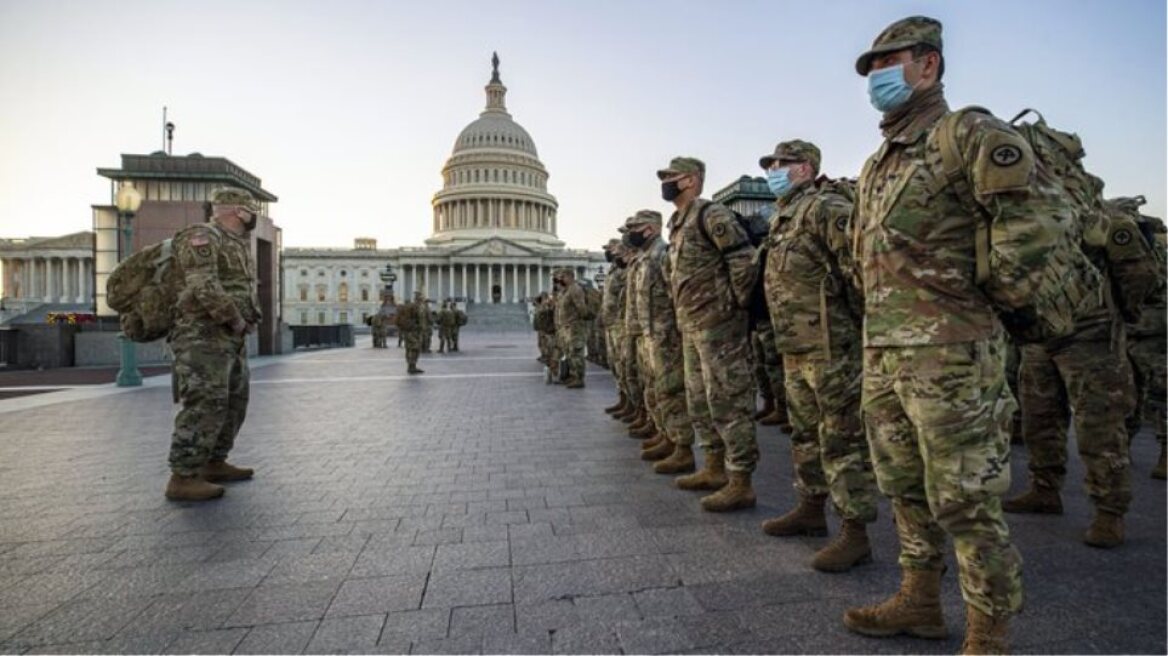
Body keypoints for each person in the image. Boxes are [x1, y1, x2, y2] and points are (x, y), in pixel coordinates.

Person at [844, 17, 1023, 652]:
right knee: (903, 485)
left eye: (887, 64)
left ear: (928, 65)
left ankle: (988, 632)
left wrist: (986, 307)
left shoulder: (968, 133)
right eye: (870, 70)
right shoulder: (879, 163)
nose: (876, 78)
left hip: (951, 350)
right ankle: (920, 599)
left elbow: (1033, 227)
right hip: (886, 351)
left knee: (967, 498)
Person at [756, 140, 878, 573]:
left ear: (805, 168)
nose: (772, 169)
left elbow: (859, 272)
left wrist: (855, 331)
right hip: (797, 347)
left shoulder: (825, 208)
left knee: (842, 440)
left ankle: (855, 531)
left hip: (833, 348)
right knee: (806, 435)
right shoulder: (785, 217)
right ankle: (810, 508)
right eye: (770, 164)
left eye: (780, 163)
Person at [658, 156, 760, 512]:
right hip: (692, 328)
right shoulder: (677, 224)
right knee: (700, 403)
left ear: (690, 180)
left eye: (671, 176)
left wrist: (736, 308)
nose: (665, 182)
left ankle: (741, 481)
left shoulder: (711, 215)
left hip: (720, 328)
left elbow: (743, 260)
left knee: (729, 404)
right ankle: (714, 468)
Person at [164, 187, 261, 502]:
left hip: (230, 336)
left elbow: (240, 286)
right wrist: (234, 318)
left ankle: (214, 461)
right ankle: (183, 476)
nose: (253, 217)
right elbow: (203, 284)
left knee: (234, 401)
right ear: (239, 211)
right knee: (206, 401)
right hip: (202, 335)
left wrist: (249, 317)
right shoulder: (202, 235)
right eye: (251, 210)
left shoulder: (235, 243)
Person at [623, 210, 695, 471]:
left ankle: (682, 447)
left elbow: (676, 292)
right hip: (649, 333)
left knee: (671, 391)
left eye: (635, 227)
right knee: (654, 388)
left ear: (650, 229)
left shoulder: (662, 255)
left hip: (666, 335)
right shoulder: (645, 258)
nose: (631, 232)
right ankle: (666, 435)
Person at [601, 239, 631, 416]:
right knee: (617, 365)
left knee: (627, 367)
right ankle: (624, 400)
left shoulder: (624, 269)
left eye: (611, 249)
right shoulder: (613, 270)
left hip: (622, 323)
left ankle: (637, 409)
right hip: (612, 322)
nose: (609, 252)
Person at [553, 268, 588, 389]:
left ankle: (579, 378)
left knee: (576, 353)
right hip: (567, 327)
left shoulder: (575, 289)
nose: (560, 279)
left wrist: (576, 321)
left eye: (563, 277)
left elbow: (582, 308)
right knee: (570, 353)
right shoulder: (566, 290)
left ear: (569, 276)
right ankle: (573, 376)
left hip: (574, 327)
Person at [395, 291, 425, 374]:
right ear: (418, 299)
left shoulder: (410, 306)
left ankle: (411, 366)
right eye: (421, 299)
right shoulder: (415, 307)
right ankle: (412, 366)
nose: (421, 301)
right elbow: (418, 319)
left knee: (410, 348)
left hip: (409, 331)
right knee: (415, 348)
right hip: (413, 331)